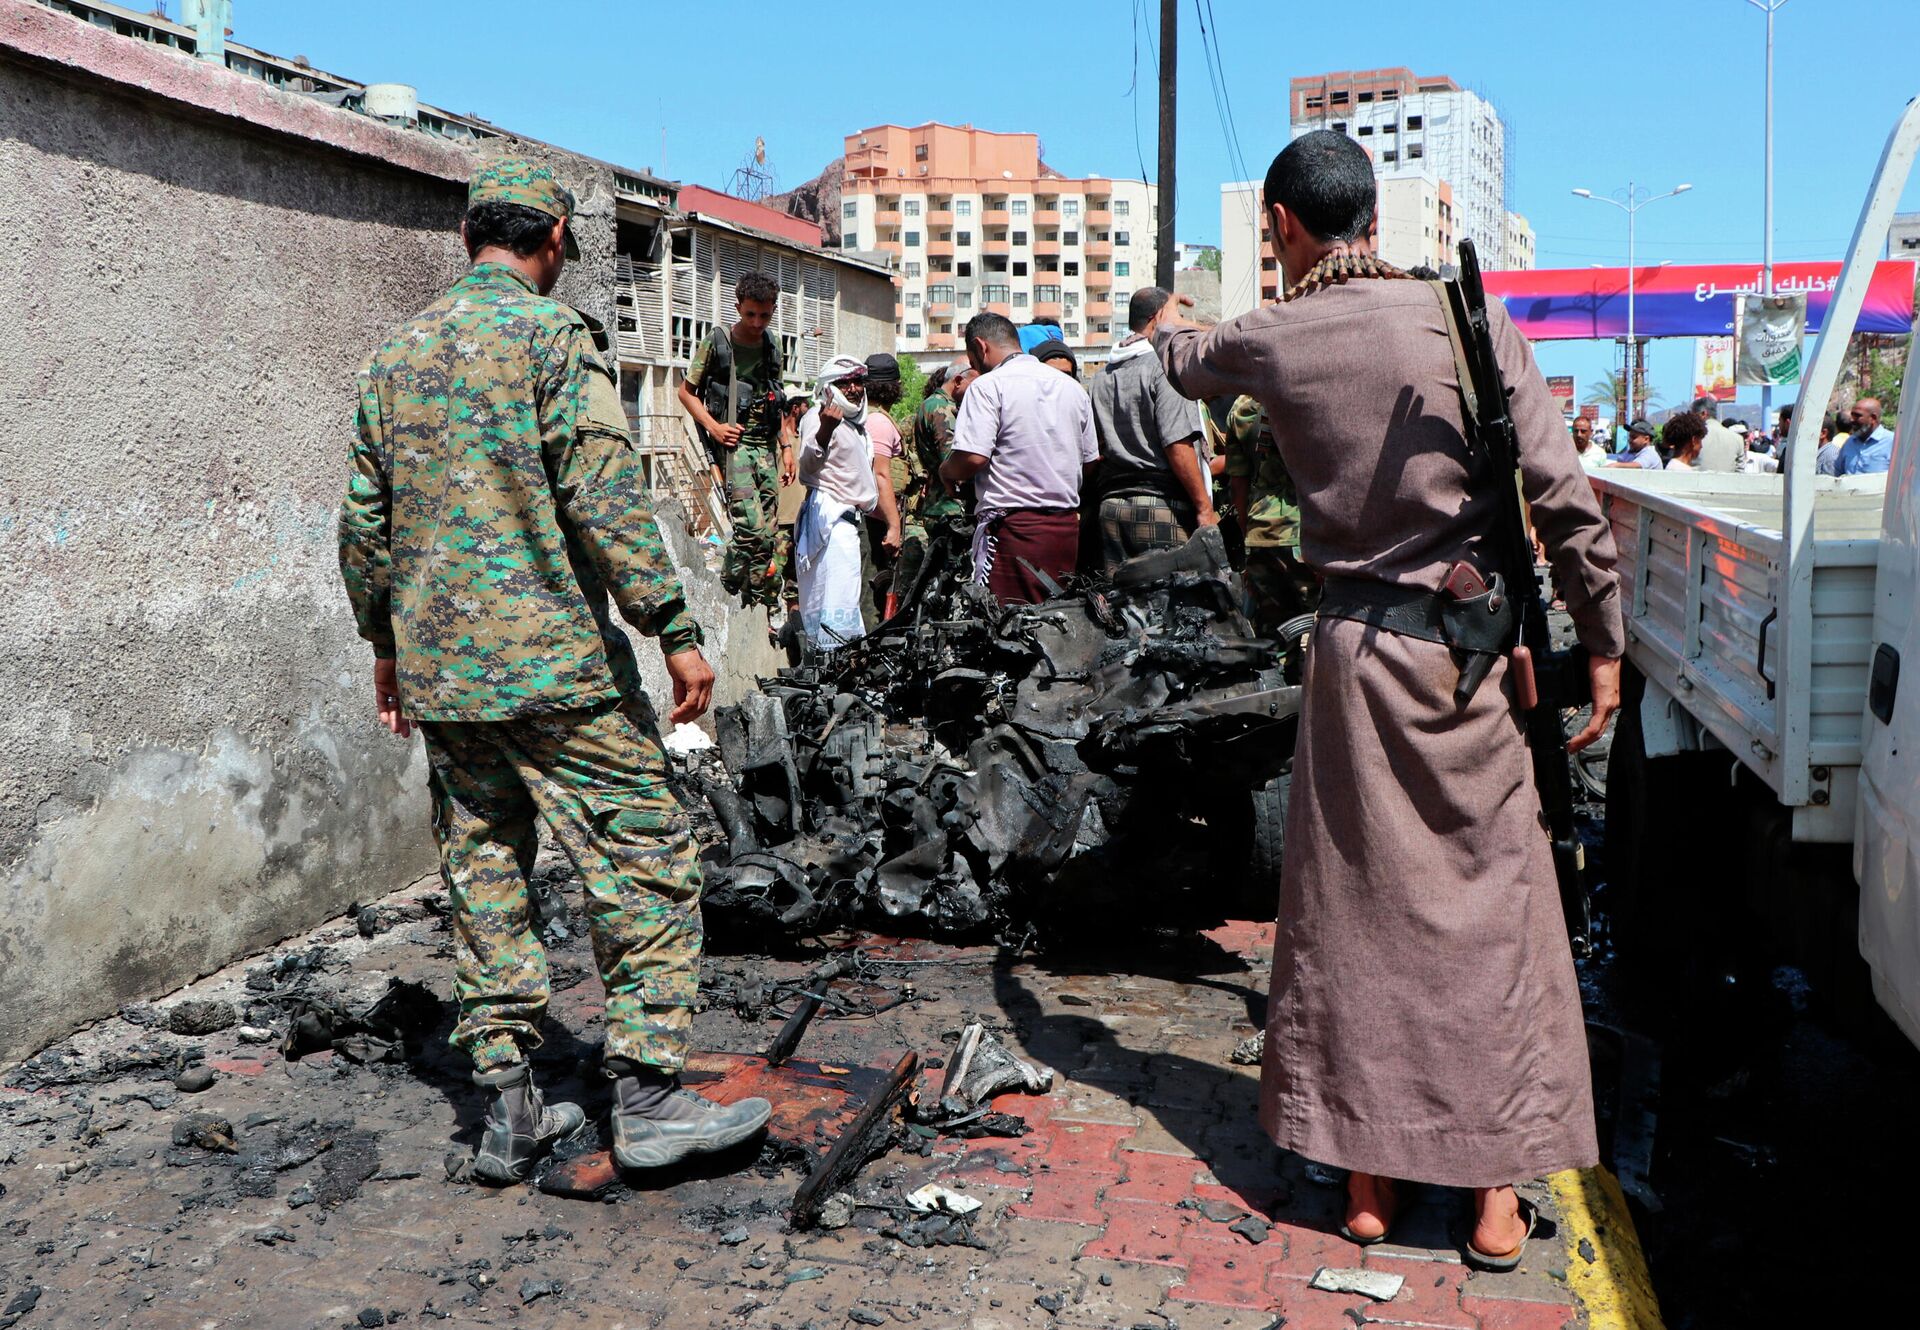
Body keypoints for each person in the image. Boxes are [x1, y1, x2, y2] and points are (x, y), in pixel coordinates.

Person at [1152, 130, 1623, 1268]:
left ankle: (1365, 1185)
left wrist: (1171, 312)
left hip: (1356, 658)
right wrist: (1600, 643)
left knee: (1355, 916)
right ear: (1373, 212)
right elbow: (1561, 498)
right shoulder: (1467, 322)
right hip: (1471, 662)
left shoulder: (1275, 332)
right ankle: (1495, 1200)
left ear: (1282, 227)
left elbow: (1178, 362)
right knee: (1491, 919)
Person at [339, 158, 769, 1185]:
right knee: (649, 858)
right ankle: (651, 1097)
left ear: (467, 237)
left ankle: (511, 1110)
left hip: (448, 676)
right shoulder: (554, 339)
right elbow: (605, 493)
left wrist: (387, 648)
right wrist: (670, 623)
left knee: (485, 875)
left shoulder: (395, 357)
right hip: (555, 670)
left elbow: (364, 529)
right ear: (556, 242)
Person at [941, 312, 1099, 605]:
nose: (975, 369)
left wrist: (946, 471)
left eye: (973, 361)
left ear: (981, 347)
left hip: (1012, 529)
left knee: (1004, 631)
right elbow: (1090, 461)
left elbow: (973, 458)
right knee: (1056, 623)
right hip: (1064, 529)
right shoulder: (1073, 389)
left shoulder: (988, 386)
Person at [678, 272, 795, 611]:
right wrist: (714, 428)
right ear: (738, 308)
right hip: (735, 446)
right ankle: (725, 590)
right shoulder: (718, 342)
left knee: (769, 537)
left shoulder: (772, 346)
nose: (757, 322)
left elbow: (777, 400)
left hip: (766, 446)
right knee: (751, 530)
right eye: (750, 315)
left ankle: (756, 603)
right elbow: (686, 393)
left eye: (765, 315)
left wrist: (786, 447)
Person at [1090, 287, 1217, 572]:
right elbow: (1177, 444)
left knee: (1122, 609)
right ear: (1158, 317)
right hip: (1159, 506)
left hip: (1110, 508)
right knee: (1173, 606)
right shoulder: (1164, 367)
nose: (1181, 322)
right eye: (1177, 315)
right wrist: (1204, 509)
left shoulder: (1101, 377)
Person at [795, 357, 879, 647]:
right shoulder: (816, 418)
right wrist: (825, 429)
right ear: (828, 388)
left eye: (858, 382)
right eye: (845, 383)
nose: (854, 389)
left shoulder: (856, 424)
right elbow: (806, 468)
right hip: (832, 524)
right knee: (834, 600)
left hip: (850, 522)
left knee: (846, 598)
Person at [1223, 394, 1318, 631]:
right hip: (1305, 534)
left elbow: (1238, 484)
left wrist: (1244, 546)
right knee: (1321, 629)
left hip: (1260, 535)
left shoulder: (1242, 407)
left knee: (1274, 636)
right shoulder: (1307, 394)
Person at [861, 354, 907, 623]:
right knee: (873, 598)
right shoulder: (878, 422)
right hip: (875, 523)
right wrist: (894, 526)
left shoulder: (873, 417)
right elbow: (880, 475)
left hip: (875, 520)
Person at [1836, 396, 1894, 474]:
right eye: (1852, 415)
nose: (1852, 420)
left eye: (1857, 416)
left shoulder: (1892, 442)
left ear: (1873, 418)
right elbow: (1837, 472)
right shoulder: (1849, 442)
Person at [1689, 396, 1742, 473]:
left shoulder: (1692, 436)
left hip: (1696, 483)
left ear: (1703, 414)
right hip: (1728, 483)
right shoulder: (1737, 439)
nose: (1691, 420)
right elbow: (1740, 473)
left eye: (1693, 415)